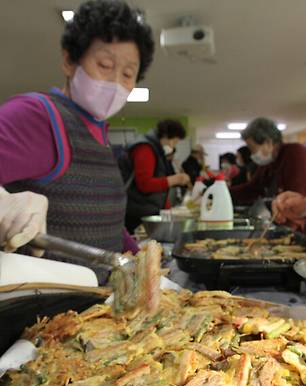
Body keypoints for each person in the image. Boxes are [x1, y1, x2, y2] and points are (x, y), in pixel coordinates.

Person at [0, 0, 154, 283]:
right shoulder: (37, 116)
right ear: (69, 61)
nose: (115, 82)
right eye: (105, 65)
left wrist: (135, 254)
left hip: (100, 309)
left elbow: (103, 217)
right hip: (45, 313)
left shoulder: (99, 135)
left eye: (128, 74)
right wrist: (4, 202)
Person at [230, 118, 306, 204]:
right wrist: (224, 192)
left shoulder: (294, 152)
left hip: (305, 217)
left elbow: (299, 198)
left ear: (268, 142)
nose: (251, 155)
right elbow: (252, 189)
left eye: (252, 148)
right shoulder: (268, 162)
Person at [124, 119, 190, 233]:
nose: (173, 146)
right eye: (174, 141)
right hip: (137, 212)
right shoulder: (145, 149)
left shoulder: (155, 150)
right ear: (165, 136)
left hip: (144, 209)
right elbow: (144, 184)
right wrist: (174, 180)